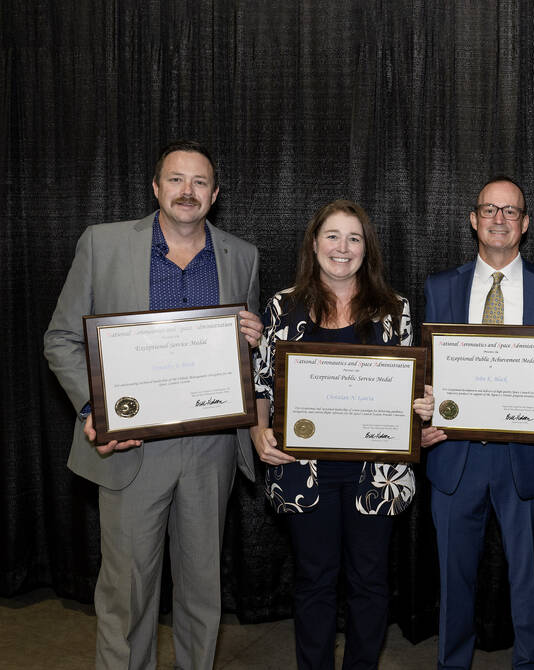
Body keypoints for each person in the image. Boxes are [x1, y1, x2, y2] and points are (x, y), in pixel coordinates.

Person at [43, 140, 262, 669]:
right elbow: (60, 340)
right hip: (131, 450)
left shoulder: (242, 255)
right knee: (127, 597)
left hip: (211, 451)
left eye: (200, 182)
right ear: (156, 187)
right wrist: (91, 412)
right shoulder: (103, 243)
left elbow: (247, 363)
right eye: (176, 180)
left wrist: (253, 341)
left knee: (202, 595)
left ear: (215, 195)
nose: (188, 191)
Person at [251, 200, 434, 670]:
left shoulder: (395, 310)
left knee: (369, 581)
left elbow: (410, 387)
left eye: (354, 238)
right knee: (314, 579)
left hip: (376, 474)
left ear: (366, 248)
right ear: (314, 244)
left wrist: (420, 409)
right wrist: (258, 431)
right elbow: (263, 381)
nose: (342, 247)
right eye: (332, 236)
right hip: (301, 470)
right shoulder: (282, 305)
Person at [422, 175, 534, 669]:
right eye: (489, 209)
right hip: (454, 454)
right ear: (473, 220)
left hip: (525, 460)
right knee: (453, 581)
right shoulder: (439, 286)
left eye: (510, 211)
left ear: (525, 224)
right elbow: (424, 367)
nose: (499, 219)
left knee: (530, 585)